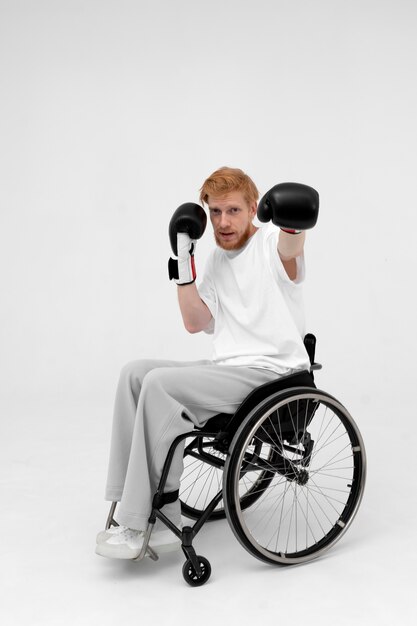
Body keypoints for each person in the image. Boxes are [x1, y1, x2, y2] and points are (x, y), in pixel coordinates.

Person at [95, 166, 318, 560]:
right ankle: (125, 503)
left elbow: (290, 252)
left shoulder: (269, 244)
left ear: (254, 209)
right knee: (135, 373)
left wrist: (292, 227)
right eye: (214, 212)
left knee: (161, 383)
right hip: (227, 371)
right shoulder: (215, 261)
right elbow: (195, 322)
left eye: (233, 210)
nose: (223, 222)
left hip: (271, 376)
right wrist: (183, 256)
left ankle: (148, 516)